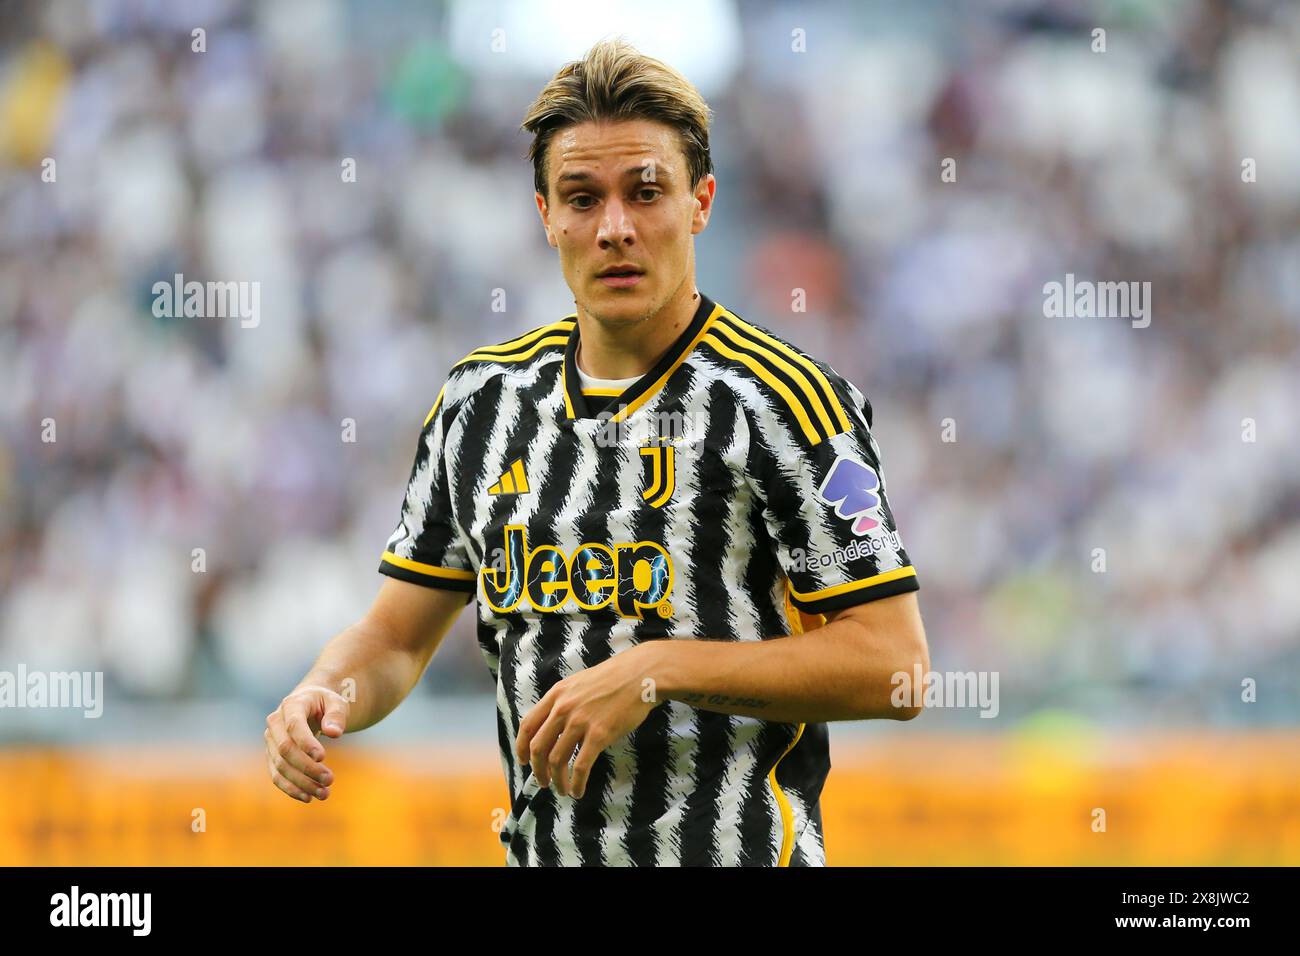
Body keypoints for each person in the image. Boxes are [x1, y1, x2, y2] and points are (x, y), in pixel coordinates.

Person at [265, 37, 929, 867]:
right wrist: (321, 692)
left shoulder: (784, 401)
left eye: (646, 192)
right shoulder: (479, 404)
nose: (615, 227)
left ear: (702, 202)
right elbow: (395, 639)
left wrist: (658, 669)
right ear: (546, 214)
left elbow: (895, 664)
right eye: (582, 197)